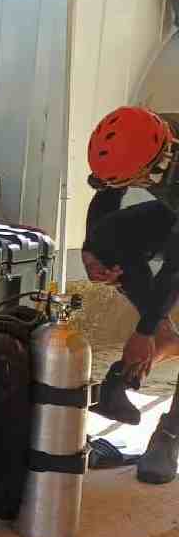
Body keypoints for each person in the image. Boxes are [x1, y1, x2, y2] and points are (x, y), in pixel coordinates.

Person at [84, 105, 179, 484]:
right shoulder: (140, 135)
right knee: (109, 240)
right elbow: (107, 202)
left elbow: (175, 267)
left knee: (156, 313)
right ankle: (161, 340)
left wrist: (143, 329)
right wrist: (94, 252)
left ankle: (169, 435)